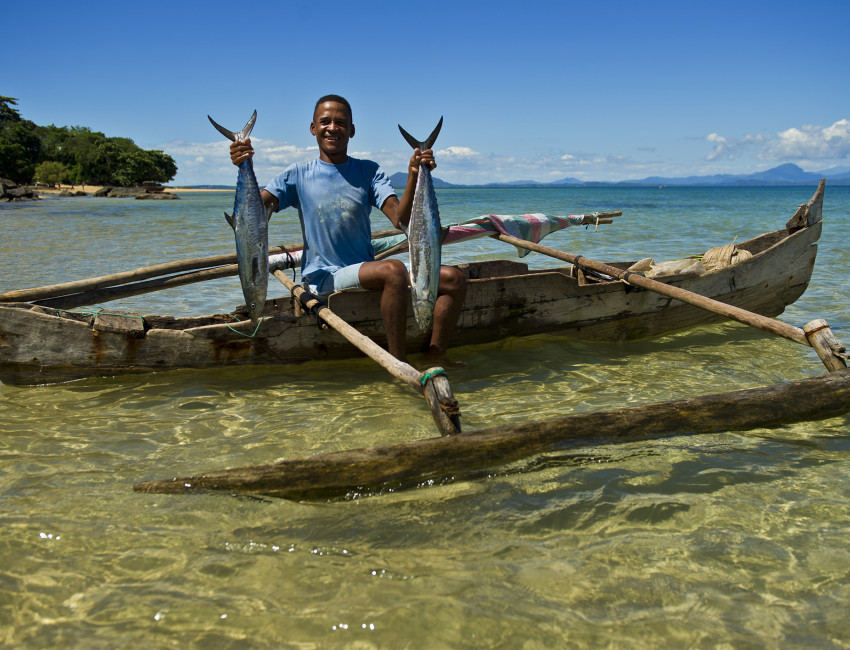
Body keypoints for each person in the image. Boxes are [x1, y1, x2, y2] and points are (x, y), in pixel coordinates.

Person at [230, 94, 466, 364]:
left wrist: (414, 173)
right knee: (394, 270)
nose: (332, 127)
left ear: (352, 130)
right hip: (323, 278)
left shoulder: (369, 172)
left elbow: (401, 220)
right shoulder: (297, 174)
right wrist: (242, 165)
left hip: (365, 270)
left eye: (340, 122)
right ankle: (398, 364)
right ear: (313, 128)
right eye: (325, 121)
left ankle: (435, 356)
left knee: (454, 279)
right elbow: (252, 219)